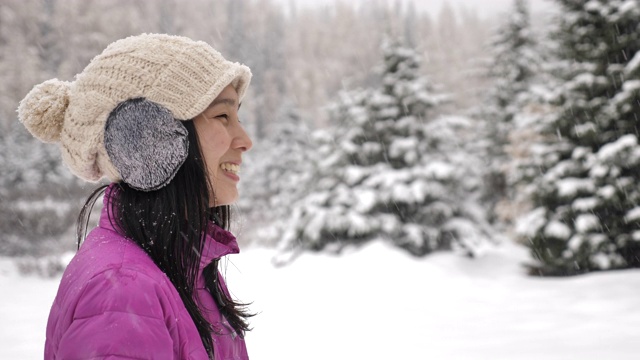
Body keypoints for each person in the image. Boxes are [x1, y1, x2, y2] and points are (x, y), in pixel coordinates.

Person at [17, 33, 254, 360]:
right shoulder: (121, 291)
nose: (244, 140)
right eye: (222, 117)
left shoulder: (184, 269)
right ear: (147, 138)